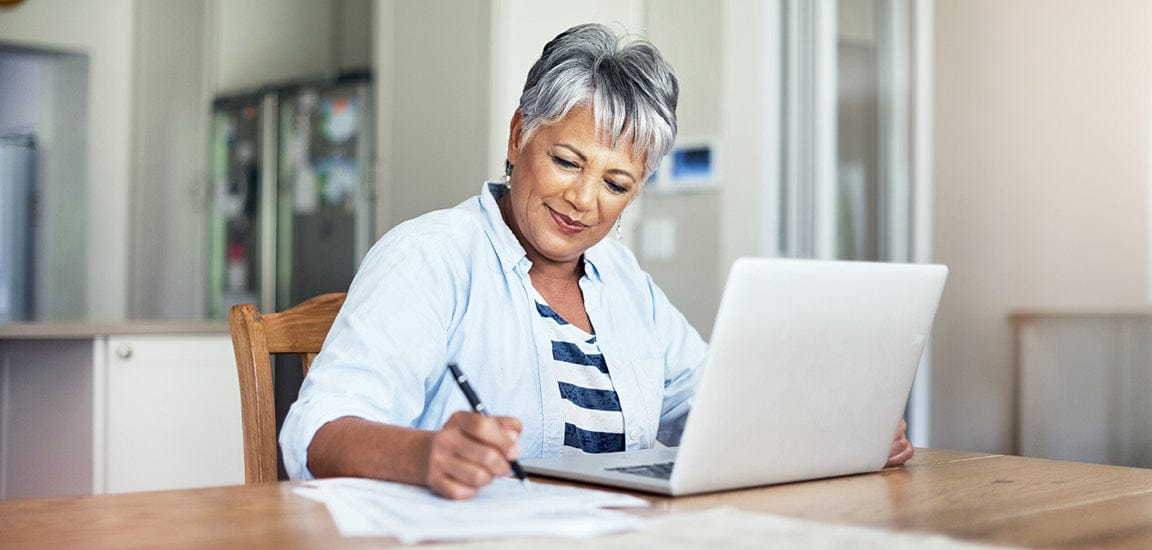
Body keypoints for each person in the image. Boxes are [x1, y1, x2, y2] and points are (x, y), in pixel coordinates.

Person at [280, 23, 913, 500]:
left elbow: (711, 407)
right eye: (566, 161)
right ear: (518, 135)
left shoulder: (622, 279)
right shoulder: (430, 256)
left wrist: (839, 430)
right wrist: (424, 455)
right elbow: (314, 433)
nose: (583, 202)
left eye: (616, 184)